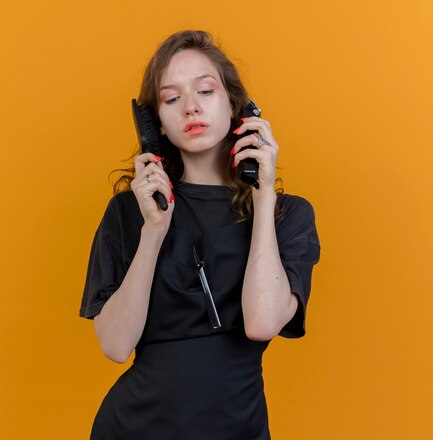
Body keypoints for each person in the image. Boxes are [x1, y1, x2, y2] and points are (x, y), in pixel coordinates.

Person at [79, 30, 320, 440]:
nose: (190, 107)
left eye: (205, 91)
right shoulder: (130, 211)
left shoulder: (286, 214)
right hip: (133, 426)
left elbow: (261, 323)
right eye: (172, 99)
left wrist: (261, 199)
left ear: (235, 106)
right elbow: (116, 346)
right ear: (157, 127)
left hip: (236, 427)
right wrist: (154, 231)